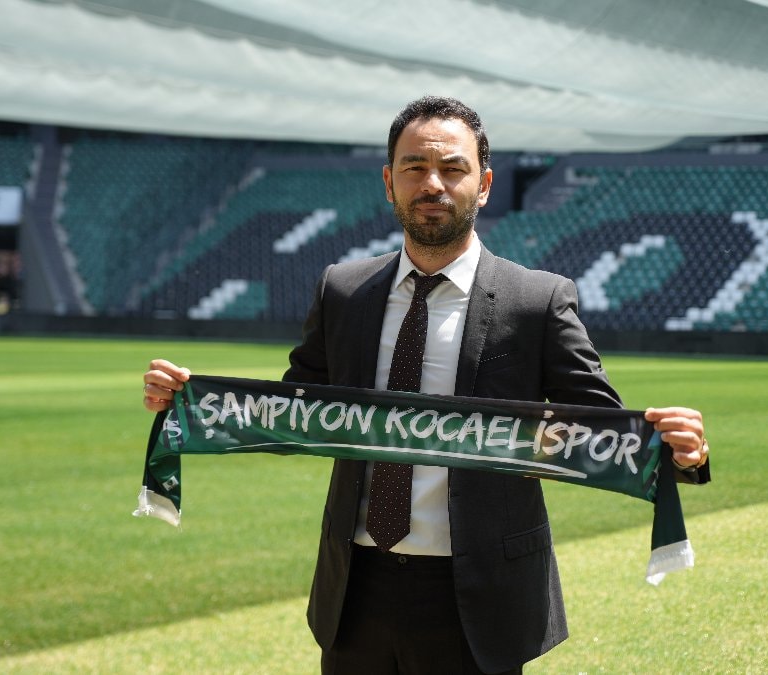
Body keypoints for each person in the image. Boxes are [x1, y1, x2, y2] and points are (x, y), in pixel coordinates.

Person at [143, 95, 710, 674]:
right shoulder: (343, 289)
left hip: (478, 598)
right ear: (389, 182)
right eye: (414, 167)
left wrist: (679, 452)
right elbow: (294, 409)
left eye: (452, 168)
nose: (432, 184)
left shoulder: (536, 300)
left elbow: (602, 427)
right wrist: (190, 402)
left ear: (484, 184)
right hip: (354, 590)